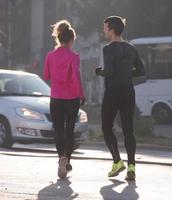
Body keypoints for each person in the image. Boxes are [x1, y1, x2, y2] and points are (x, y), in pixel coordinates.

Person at [95, 16, 145, 181]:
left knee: (106, 126)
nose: (103, 30)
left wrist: (99, 71)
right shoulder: (132, 48)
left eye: (105, 27)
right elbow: (141, 71)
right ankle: (132, 167)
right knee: (128, 130)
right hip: (128, 92)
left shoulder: (108, 49)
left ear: (112, 29)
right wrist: (126, 73)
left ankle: (117, 161)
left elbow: (108, 71)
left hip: (113, 92)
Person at [44, 19, 85, 179]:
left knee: (58, 129)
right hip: (72, 98)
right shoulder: (74, 56)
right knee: (70, 130)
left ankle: (61, 156)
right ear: (71, 40)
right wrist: (81, 94)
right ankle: (67, 159)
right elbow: (76, 76)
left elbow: (46, 75)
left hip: (56, 98)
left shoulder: (50, 56)